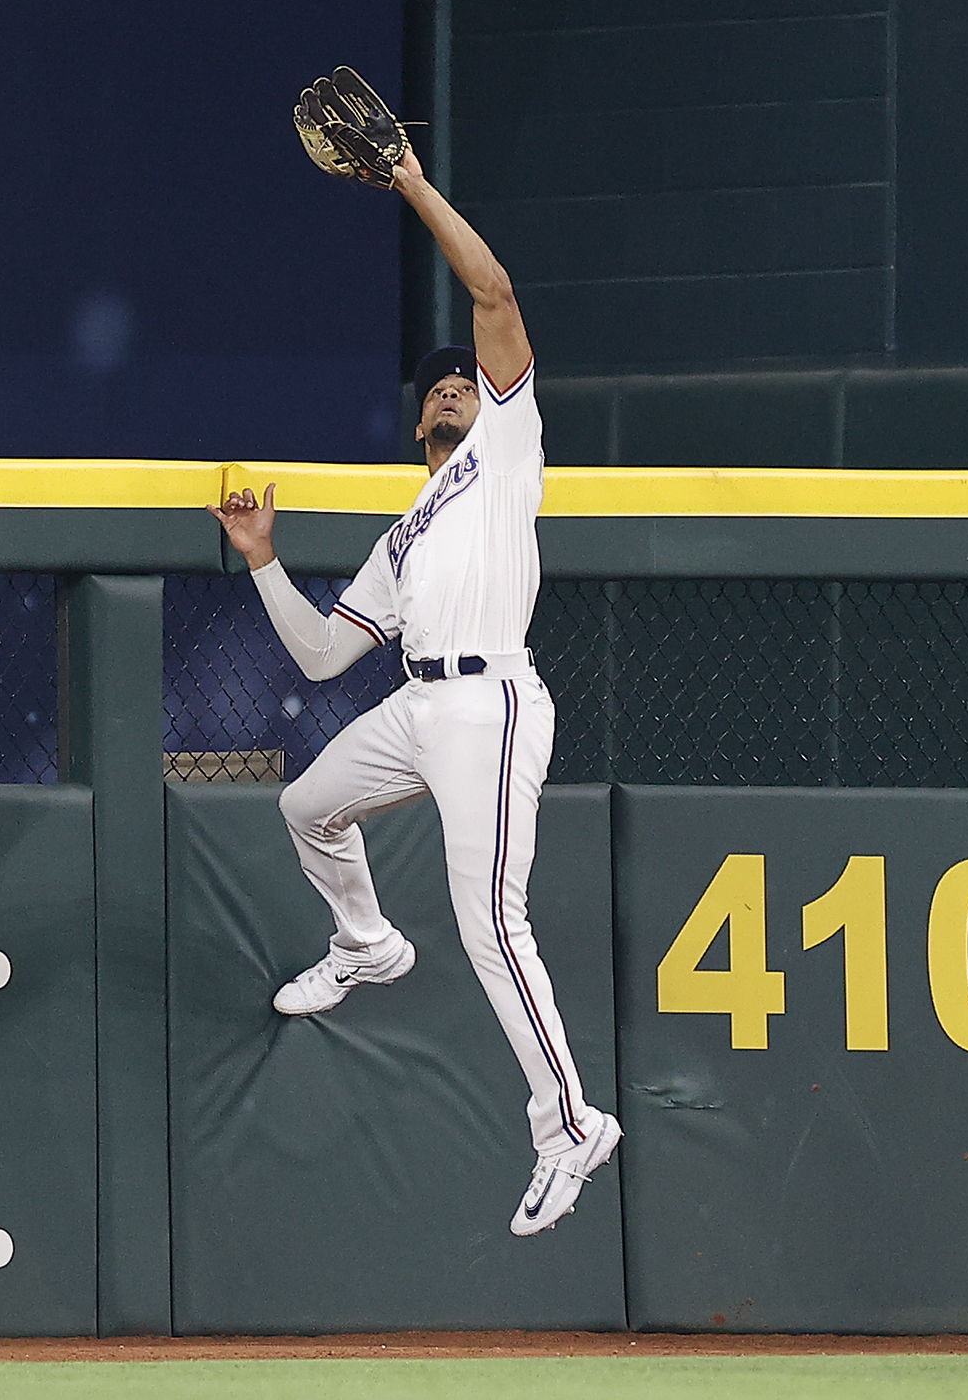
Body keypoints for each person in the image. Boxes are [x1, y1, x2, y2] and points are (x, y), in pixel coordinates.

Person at [208, 143, 619, 1238]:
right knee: (306, 804)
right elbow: (321, 659)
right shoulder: (407, 528)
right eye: (435, 384)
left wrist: (406, 183)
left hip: (491, 701)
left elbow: (492, 291)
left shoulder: (508, 452)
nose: (450, 386)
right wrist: (261, 559)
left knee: (493, 923)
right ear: (417, 420)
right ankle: (366, 943)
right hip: (418, 706)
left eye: (462, 381)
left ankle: (566, 1125)